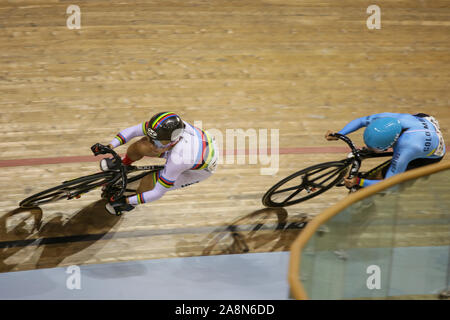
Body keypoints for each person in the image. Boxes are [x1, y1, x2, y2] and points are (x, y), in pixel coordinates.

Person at [97, 112, 218, 215]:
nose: (152, 145)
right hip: (193, 146)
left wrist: (126, 201)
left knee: (149, 181)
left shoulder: (179, 159)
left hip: (198, 169)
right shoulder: (163, 128)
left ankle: (129, 206)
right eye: (152, 139)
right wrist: (110, 146)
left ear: (173, 141)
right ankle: (124, 164)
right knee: (140, 146)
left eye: (158, 143)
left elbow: (157, 192)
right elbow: (134, 131)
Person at [325, 112, 445, 188]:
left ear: (389, 146)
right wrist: (339, 134)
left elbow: (389, 183)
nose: (368, 148)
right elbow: (361, 121)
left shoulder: (405, 151)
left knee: (388, 183)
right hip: (422, 122)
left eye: (374, 147)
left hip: (429, 155)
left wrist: (358, 182)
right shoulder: (390, 120)